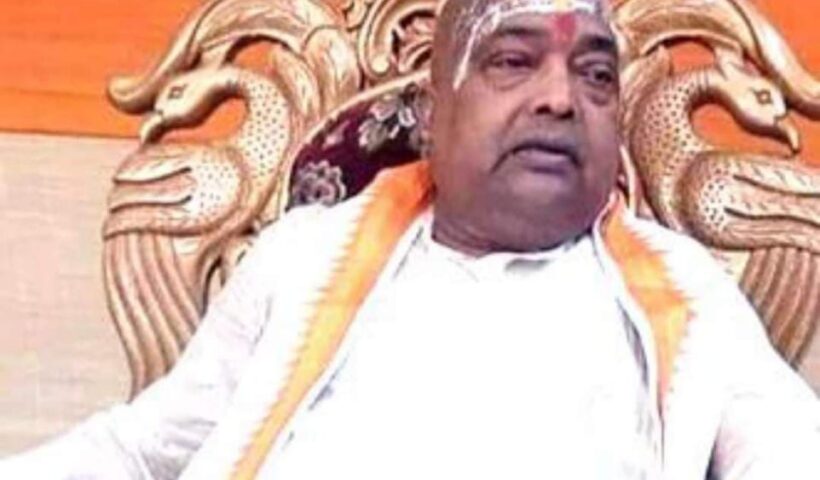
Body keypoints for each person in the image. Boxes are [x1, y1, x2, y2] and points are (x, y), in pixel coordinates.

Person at [3, 0, 819, 478]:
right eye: (513, 61)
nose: (561, 99)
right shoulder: (302, 257)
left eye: (596, 74)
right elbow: (141, 453)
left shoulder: (685, 293)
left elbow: (790, 454)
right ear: (432, 117)